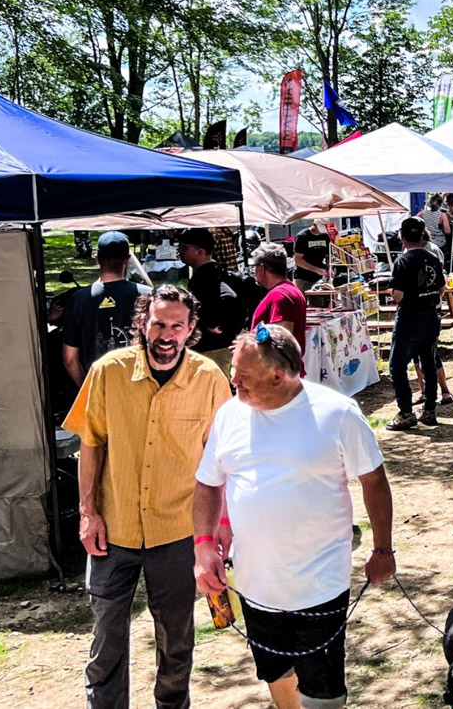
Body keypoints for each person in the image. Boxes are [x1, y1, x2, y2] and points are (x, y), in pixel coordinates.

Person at [192, 325, 395, 709]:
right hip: (255, 587)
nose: (233, 381)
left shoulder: (337, 414)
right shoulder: (229, 415)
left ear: (278, 376)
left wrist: (382, 549)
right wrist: (204, 547)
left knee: (323, 692)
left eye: (243, 376)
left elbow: (374, 480)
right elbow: (207, 483)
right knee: (276, 675)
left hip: (319, 586)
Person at [63, 285, 232, 709]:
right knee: (107, 641)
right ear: (142, 323)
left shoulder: (209, 379)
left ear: (191, 329)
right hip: (113, 528)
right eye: (158, 323)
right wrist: (88, 513)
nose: (166, 334)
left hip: (179, 531)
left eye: (177, 325)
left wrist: (221, 526)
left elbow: (223, 460)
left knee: (177, 641)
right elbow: (91, 443)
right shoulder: (107, 371)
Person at [63, 231, 151, 387]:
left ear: (97, 259)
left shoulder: (78, 300)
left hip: (99, 387)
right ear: (127, 260)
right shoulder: (148, 295)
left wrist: (87, 390)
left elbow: (70, 359)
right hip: (140, 386)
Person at [388, 218, 446, 430]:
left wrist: (395, 294)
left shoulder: (402, 262)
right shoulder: (432, 257)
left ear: (402, 238)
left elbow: (398, 295)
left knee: (397, 365)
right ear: (423, 234)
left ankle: (406, 413)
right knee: (428, 362)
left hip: (410, 317)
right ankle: (429, 409)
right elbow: (441, 288)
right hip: (430, 315)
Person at [180, 227, 244, 376]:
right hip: (215, 346)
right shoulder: (214, 270)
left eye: (185, 247)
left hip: (212, 349)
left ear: (199, 252)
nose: (180, 251)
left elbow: (229, 296)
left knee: (216, 393)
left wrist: (213, 323)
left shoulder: (206, 275)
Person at [250, 243, 308, 353]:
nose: (254, 271)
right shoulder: (291, 290)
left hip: (278, 368)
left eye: (255, 267)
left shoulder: (279, 295)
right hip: (286, 367)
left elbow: (281, 342)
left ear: (261, 268)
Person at [293, 222, 331, 292]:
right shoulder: (302, 236)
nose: (320, 232)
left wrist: (329, 268)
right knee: (300, 300)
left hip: (319, 277)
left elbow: (328, 255)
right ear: (314, 224)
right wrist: (316, 269)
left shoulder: (325, 236)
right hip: (302, 277)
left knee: (318, 302)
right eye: (319, 229)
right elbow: (298, 260)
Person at [420, 195, 452, 267]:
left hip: (427, 243)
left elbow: (414, 221)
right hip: (440, 244)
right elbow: (447, 231)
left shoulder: (422, 214)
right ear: (440, 204)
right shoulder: (442, 215)